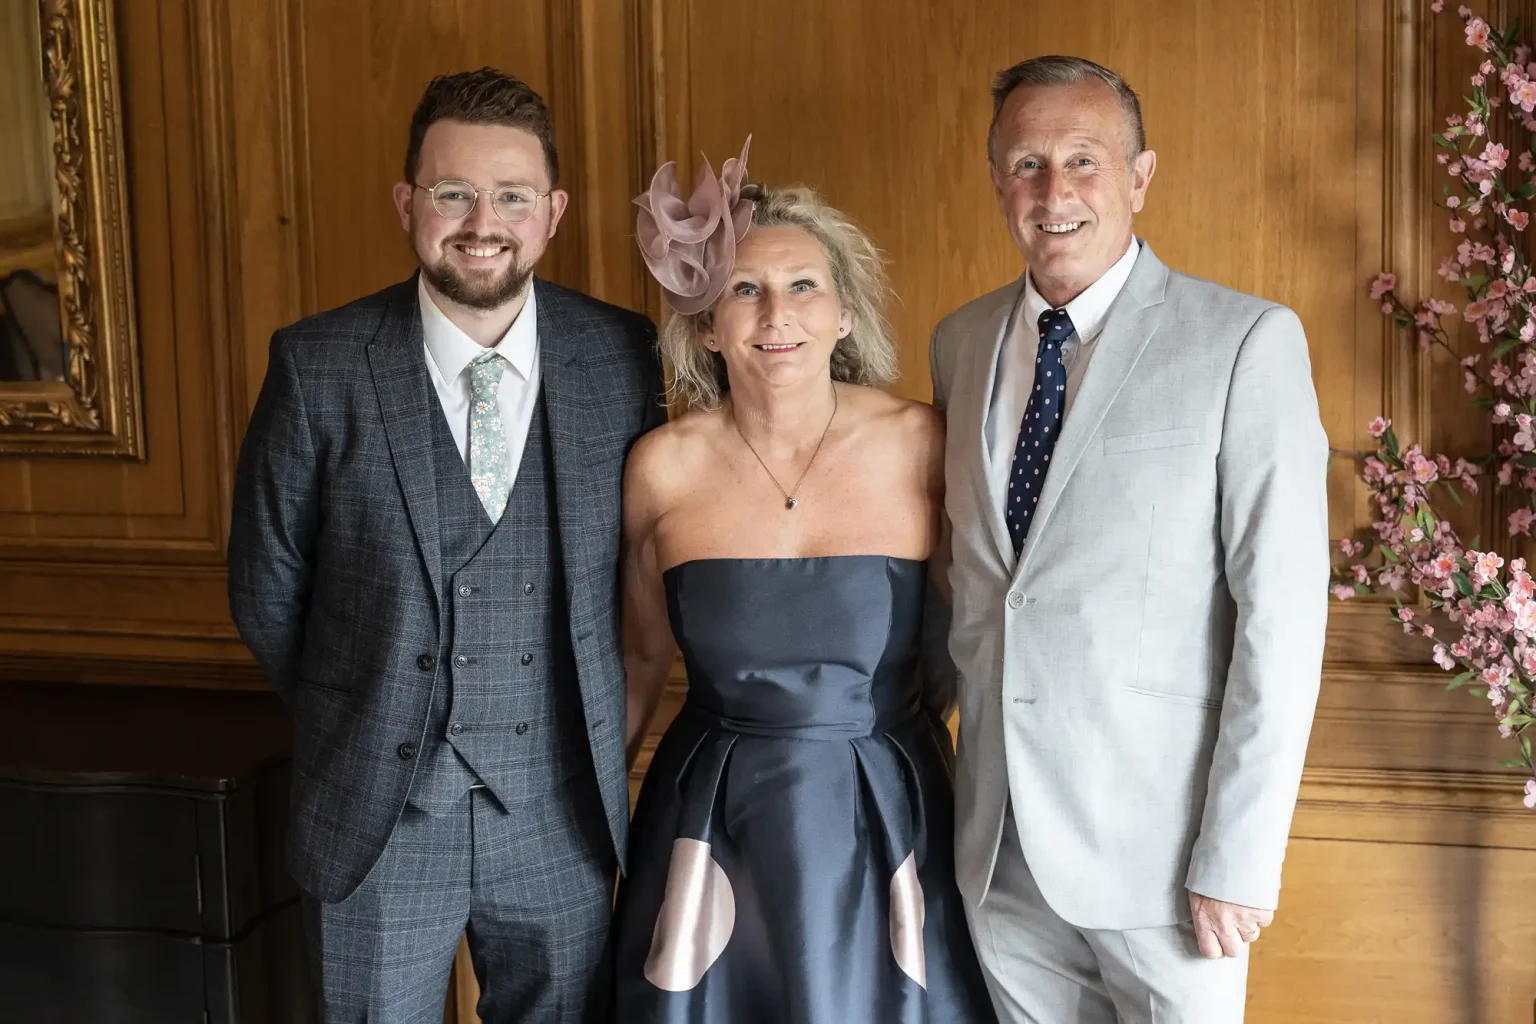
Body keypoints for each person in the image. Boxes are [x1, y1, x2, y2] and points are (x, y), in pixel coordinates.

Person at [227, 68, 664, 1023]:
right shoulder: (318, 364)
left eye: (511, 194)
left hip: (562, 816)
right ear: (407, 203)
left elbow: (649, 586)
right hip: (377, 823)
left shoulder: (627, 358)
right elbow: (266, 588)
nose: (481, 220)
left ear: (551, 211)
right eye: (451, 192)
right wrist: (368, 706)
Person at [930, 55, 1329, 1022]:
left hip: (1168, 867)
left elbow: (1281, 621)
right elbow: (971, 586)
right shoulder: (960, 343)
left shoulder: (1245, 342)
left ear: (1140, 175)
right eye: (1027, 164)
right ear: (996, 181)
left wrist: (1239, 857)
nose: (1053, 191)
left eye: (1083, 160)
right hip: (997, 849)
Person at [612, 143, 995, 1023]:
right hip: (714, 819)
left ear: (845, 316)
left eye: (803, 287)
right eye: (744, 289)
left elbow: (971, 645)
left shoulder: (923, 442)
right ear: (707, 322)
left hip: (890, 808)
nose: (774, 313)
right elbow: (638, 661)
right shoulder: (661, 468)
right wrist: (591, 836)